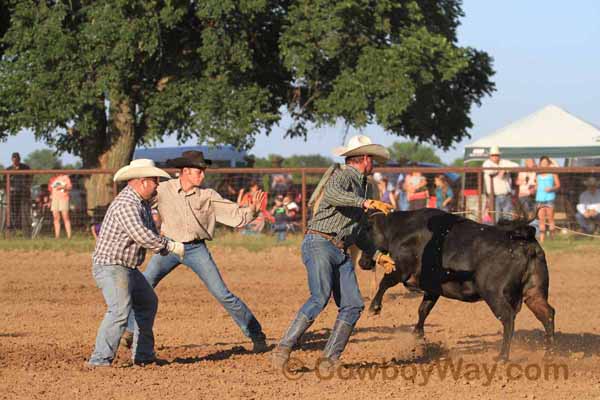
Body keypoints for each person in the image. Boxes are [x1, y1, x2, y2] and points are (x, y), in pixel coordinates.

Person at [121, 151, 268, 353]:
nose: (203, 175)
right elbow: (138, 200)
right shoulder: (163, 189)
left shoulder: (207, 196)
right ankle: (129, 329)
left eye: (203, 171)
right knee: (144, 286)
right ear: (185, 171)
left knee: (222, 293)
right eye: (199, 171)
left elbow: (235, 215)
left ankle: (256, 334)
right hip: (169, 247)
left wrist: (252, 211)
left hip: (196, 248)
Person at [271, 134, 396, 372]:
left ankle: (329, 359)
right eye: (374, 160)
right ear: (366, 158)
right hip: (319, 242)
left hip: (339, 248)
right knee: (320, 297)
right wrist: (367, 204)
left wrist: (378, 255)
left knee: (353, 305)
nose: (375, 165)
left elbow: (357, 232)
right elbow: (332, 195)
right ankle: (283, 347)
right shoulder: (342, 176)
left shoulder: (362, 185)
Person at [87, 159, 184, 367]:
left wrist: (162, 240)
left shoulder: (141, 203)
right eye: (155, 180)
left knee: (147, 302)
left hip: (125, 266)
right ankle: (99, 361)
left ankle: (143, 356)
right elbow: (142, 235)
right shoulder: (126, 204)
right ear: (142, 182)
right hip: (112, 265)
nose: (157, 184)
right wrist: (170, 246)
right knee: (120, 310)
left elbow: (149, 232)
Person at [482, 145, 518, 222]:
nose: (495, 157)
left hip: (506, 195)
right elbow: (489, 170)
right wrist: (501, 170)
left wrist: (505, 170)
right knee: (496, 218)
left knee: (508, 217)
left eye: (496, 155)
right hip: (494, 196)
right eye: (493, 155)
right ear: (490, 156)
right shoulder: (487, 163)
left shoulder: (504, 162)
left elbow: (516, 166)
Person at [535, 156, 560, 243]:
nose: (544, 164)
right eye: (543, 162)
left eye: (546, 162)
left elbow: (558, 185)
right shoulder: (537, 174)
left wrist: (551, 188)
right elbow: (536, 185)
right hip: (539, 198)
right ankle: (542, 239)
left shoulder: (553, 173)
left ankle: (553, 239)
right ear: (540, 163)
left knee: (550, 218)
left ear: (549, 164)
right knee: (541, 219)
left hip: (549, 198)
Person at [6, 152, 32, 234]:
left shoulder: (26, 168)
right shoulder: (8, 169)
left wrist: (27, 187)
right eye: (14, 159)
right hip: (13, 195)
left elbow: (30, 178)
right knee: (13, 212)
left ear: (19, 159)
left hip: (24, 194)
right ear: (12, 160)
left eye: (17, 159)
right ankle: (12, 231)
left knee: (25, 212)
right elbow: (5, 182)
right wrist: (9, 188)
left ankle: (26, 232)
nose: (15, 161)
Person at [48, 173, 73, 239]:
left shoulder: (65, 177)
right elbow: (50, 190)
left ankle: (69, 236)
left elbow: (69, 187)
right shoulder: (52, 179)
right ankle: (57, 236)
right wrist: (50, 200)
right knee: (56, 218)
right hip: (54, 199)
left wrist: (63, 187)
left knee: (65, 217)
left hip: (63, 198)